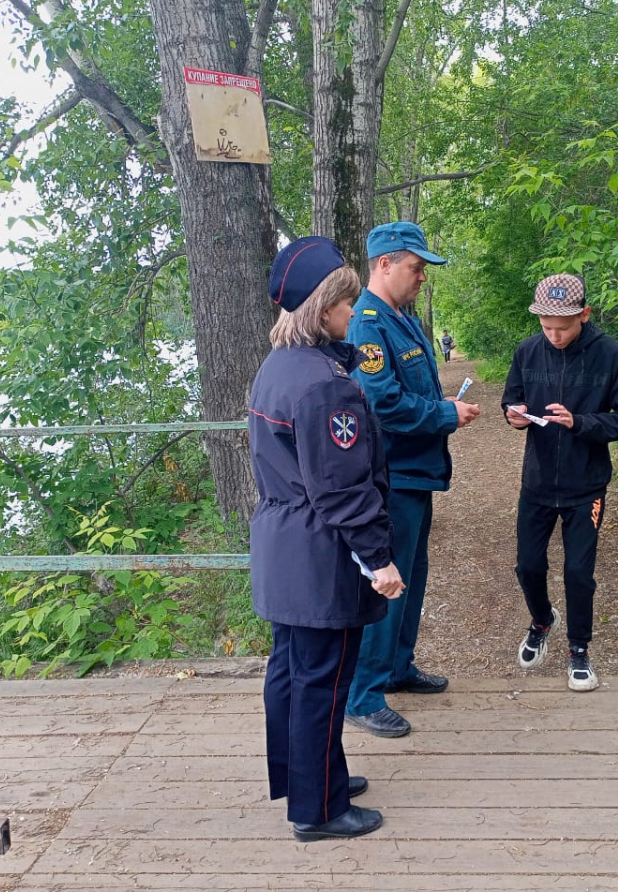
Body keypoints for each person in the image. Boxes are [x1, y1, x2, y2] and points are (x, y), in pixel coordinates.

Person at [249, 236, 406, 841]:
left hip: (281, 544)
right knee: (323, 678)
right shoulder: (325, 385)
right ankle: (319, 811)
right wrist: (377, 559)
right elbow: (341, 489)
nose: (352, 315)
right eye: (344, 306)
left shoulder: (275, 368)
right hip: (320, 554)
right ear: (322, 309)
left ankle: (310, 775)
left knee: (291, 671)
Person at [343, 221, 481, 737]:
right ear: (384, 264)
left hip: (416, 474)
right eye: (415, 267)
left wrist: (442, 408)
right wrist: (445, 414)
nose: (422, 277)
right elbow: (381, 405)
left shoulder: (399, 318)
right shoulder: (368, 323)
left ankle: (397, 669)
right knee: (390, 584)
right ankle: (363, 695)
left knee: (413, 577)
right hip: (392, 476)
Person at [501, 273, 618, 692]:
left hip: (587, 486)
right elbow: (511, 400)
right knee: (528, 565)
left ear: (584, 314)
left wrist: (581, 422)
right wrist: (514, 414)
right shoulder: (528, 351)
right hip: (538, 481)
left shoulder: (610, 354)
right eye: (547, 327)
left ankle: (579, 651)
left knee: (579, 573)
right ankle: (542, 619)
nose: (555, 336)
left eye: (563, 327)